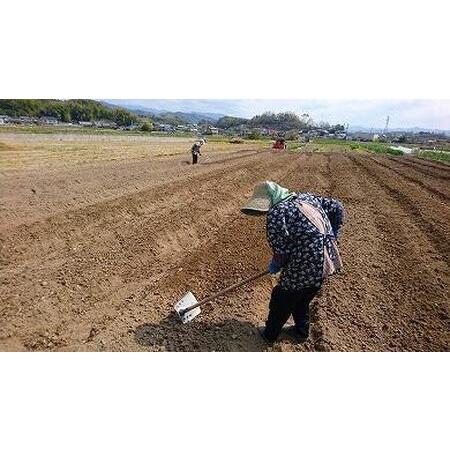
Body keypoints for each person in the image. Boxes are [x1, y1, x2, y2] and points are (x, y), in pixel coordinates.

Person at [241, 181, 345, 344]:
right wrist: (333, 233)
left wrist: (276, 264)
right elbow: (337, 207)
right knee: (304, 296)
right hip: (327, 259)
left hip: (305, 264)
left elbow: (282, 252)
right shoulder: (306, 197)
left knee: (282, 298)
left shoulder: (277, 213)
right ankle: (301, 332)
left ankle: (269, 335)